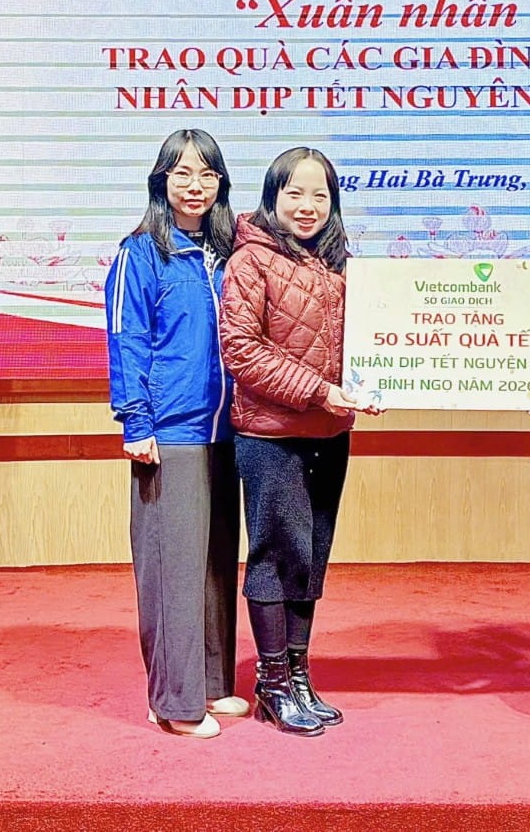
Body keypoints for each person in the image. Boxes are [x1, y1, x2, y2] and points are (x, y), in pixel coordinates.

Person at [218, 146, 378, 736]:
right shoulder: (250, 261)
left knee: (310, 556)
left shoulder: (339, 265)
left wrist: (380, 380)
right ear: (273, 197)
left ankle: (299, 675)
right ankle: (272, 682)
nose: (307, 206)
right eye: (295, 193)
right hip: (271, 434)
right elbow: (240, 350)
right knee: (276, 555)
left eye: (320, 195)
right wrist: (319, 391)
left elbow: (368, 343)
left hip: (328, 432)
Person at [105, 129, 248, 739]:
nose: (195, 186)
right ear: (161, 180)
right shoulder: (140, 254)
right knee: (173, 571)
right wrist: (136, 421)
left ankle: (209, 684)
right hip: (171, 431)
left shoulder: (227, 255)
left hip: (226, 431)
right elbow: (127, 339)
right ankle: (175, 703)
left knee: (214, 567)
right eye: (182, 173)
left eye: (207, 174)